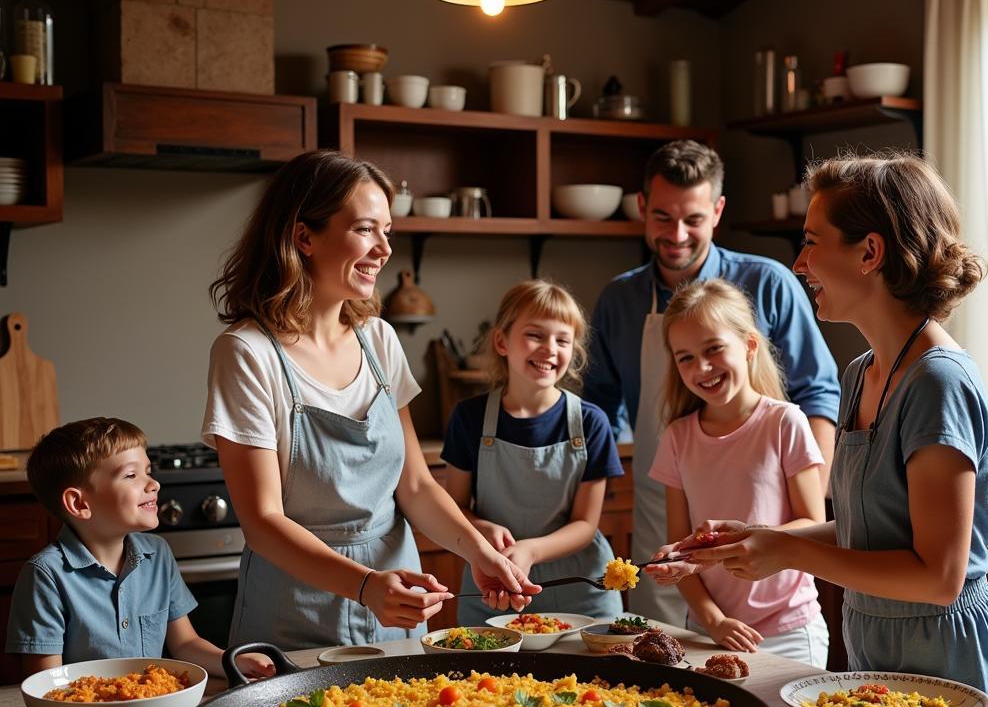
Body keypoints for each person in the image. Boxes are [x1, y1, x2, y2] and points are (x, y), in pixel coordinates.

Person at [679, 152, 988, 707]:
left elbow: (939, 578)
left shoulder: (938, 382)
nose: (800, 262)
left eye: (813, 241)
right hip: (880, 656)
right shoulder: (861, 372)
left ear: (870, 253)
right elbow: (875, 527)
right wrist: (765, 538)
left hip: (951, 661)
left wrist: (790, 552)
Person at [203, 149, 536, 651]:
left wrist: (480, 555)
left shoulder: (377, 339)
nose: (383, 249)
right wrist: (362, 585)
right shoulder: (247, 354)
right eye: (365, 229)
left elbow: (417, 487)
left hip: (397, 603)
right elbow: (263, 523)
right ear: (304, 237)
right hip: (293, 617)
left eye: (388, 232)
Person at [583, 139, 841, 626]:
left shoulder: (769, 283)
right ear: (641, 208)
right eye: (661, 217)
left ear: (718, 210)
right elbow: (599, 408)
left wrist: (806, 516)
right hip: (659, 505)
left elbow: (818, 395)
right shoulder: (619, 299)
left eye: (693, 219)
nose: (676, 234)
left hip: (764, 514)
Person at [643, 279, 829, 665]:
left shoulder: (784, 422)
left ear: (748, 345)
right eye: (686, 357)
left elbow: (813, 524)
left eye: (713, 349)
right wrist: (711, 617)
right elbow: (682, 545)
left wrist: (742, 540)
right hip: (706, 631)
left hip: (789, 630)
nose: (703, 367)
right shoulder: (678, 438)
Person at [5, 418, 275, 680]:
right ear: (79, 504)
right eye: (131, 475)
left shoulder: (157, 554)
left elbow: (186, 645)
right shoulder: (46, 575)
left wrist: (234, 662)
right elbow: (45, 684)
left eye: (148, 471)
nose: (153, 484)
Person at [442, 280, 625, 624]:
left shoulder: (591, 422)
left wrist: (530, 550)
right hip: (495, 586)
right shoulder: (469, 418)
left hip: (582, 591)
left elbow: (585, 524)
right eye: (535, 335)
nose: (549, 349)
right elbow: (454, 509)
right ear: (501, 341)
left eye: (562, 340)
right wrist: (480, 526)